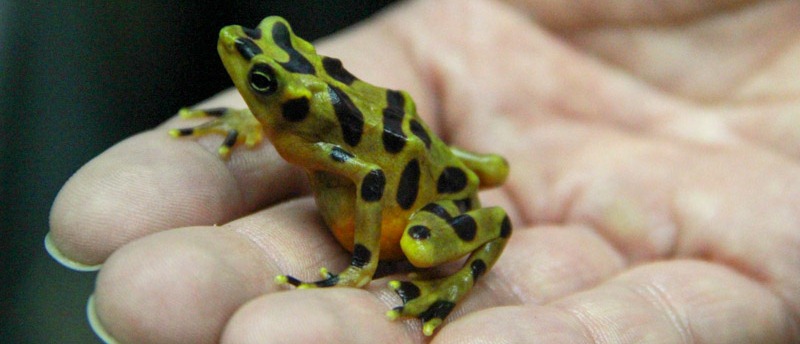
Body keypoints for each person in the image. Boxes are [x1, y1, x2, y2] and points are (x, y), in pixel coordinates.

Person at [47, 0, 799, 342]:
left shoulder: (317, 137)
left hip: (426, 205)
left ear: (298, 100)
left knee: (424, 249)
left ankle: (452, 278)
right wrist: (257, 118)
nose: (251, 55)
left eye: (270, 85)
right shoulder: (294, 127)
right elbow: (317, 146)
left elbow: (371, 180)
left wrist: (364, 265)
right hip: (410, 151)